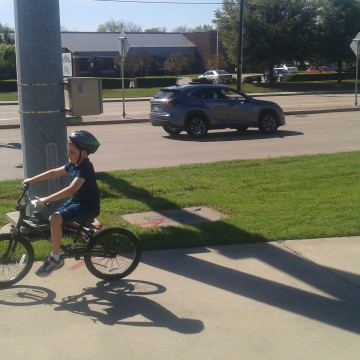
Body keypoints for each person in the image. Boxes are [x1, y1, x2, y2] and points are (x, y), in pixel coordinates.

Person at [22, 130, 100, 277]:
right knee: (56, 219)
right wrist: (32, 180)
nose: (68, 155)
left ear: (83, 153)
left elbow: (71, 190)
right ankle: (88, 231)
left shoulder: (85, 168)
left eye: (71, 152)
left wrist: (47, 199)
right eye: (68, 151)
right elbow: (53, 173)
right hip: (78, 201)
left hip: (87, 205)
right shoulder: (73, 164)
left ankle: (56, 258)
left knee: (55, 218)